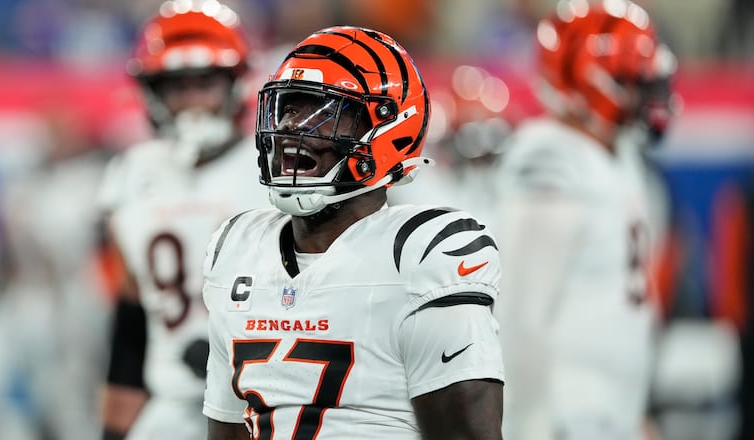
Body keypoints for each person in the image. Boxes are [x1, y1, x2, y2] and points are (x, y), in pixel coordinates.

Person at [202, 26, 505, 440]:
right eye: (289, 108)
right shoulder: (236, 248)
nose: (292, 128)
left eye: (324, 113)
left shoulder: (420, 254)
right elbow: (226, 427)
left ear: (388, 130)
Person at [491, 0, 673, 438]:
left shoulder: (618, 155)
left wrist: (633, 414)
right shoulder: (551, 158)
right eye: (635, 79)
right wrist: (528, 423)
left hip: (612, 410)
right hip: (563, 414)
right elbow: (521, 314)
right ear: (593, 79)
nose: (648, 92)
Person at [97, 1, 267, 439]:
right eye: (177, 86)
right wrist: (115, 428)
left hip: (269, 397)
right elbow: (132, 319)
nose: (192, 100)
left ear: (234, 84)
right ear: (154, 93)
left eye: (204, 83)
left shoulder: (274, 169)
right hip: (172, 400)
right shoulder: (132, 174)